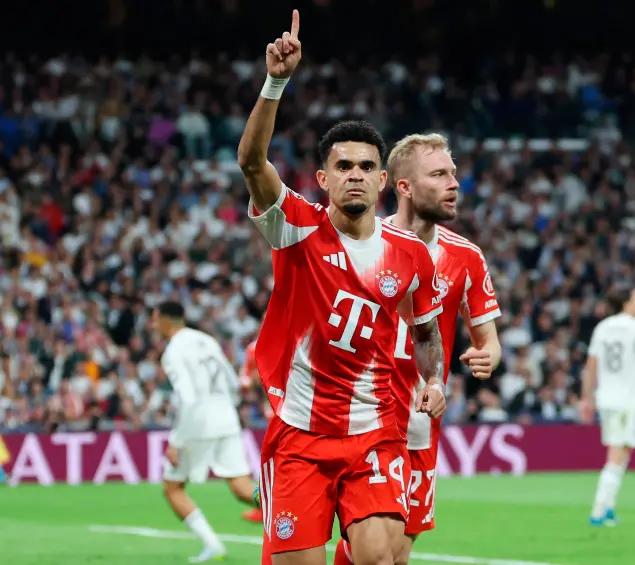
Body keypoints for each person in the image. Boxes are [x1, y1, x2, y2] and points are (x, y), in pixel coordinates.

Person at [237, 10, 447, 565]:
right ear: (323, 178)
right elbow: (251, 161)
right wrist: (275, 82)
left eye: (366, 166)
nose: (355, 173)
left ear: (383, 180)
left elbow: (425, 330)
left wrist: (433, 379)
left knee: (380, 557)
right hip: (300, 435)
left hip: (374, 431)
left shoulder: (411, 256)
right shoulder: (296, 226)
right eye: (343, 165)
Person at [333, 133, 502, 565]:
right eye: (440, 174)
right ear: (404, 186)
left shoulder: (466, 256)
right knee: (375, 551)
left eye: (454, 174)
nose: (454, 184)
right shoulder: (364, 241)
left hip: (421, 419)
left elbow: (489, 341)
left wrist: (488, 356)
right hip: (364, 413)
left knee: (396, 553)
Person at [154, 301, 257, 563]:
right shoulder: (206, 340)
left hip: (199, 421)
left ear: (165, 320)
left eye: (155, 319)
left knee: (172, 487)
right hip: (226, 415)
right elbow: (233, 382)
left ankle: (212, 545)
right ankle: (293, 519)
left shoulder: (173, 352)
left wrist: (176, 441)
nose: (153, 325)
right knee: (243, 488)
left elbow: (188, 399)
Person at [579, 287, 635, 526]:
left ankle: (608, 507)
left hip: (607, 397)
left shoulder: (602, 327)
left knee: (623, 451)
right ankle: (598, 509)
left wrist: (587, 399)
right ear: (627, 303)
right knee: (617, 454)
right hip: (626, 400)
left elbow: (590, 367)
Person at [239, 339, 265, 524]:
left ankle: (266, 507)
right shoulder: (254, 348)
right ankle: (265, 507)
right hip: (272, 405)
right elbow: (246, 379)